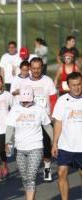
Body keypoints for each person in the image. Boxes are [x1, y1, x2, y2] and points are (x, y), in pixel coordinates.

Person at [5, 85, 53, 200]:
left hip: (35, 147)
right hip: (20, 148)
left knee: (31, 177)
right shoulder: (15, 109)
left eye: (28, 101)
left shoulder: (39, 109)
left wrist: (55, 142)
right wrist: (7, 142)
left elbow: (48, 127)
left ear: (33, 98)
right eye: (23, 101)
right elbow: (10, 127)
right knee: (25, 178)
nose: (25, 103)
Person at [21, 57, 58, 182]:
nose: (36, 71)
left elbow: (53, 98)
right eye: (34, 68)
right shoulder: (25, 83)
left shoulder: (48, 81)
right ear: (30, 68)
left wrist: (52, 115)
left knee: (46, 146)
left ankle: (47, 169)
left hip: (45, 118)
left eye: (38, 68)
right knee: (30, 146)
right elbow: (22, 101)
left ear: (42, 68)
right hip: (30, 120)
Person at [51, 72, 82, 200]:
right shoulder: (62, 101)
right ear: (68, 85)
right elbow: (58, 122)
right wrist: (54, 143)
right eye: (73, 85)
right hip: (65, 146)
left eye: (79, 84)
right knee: (61, 173)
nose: (77, 87)